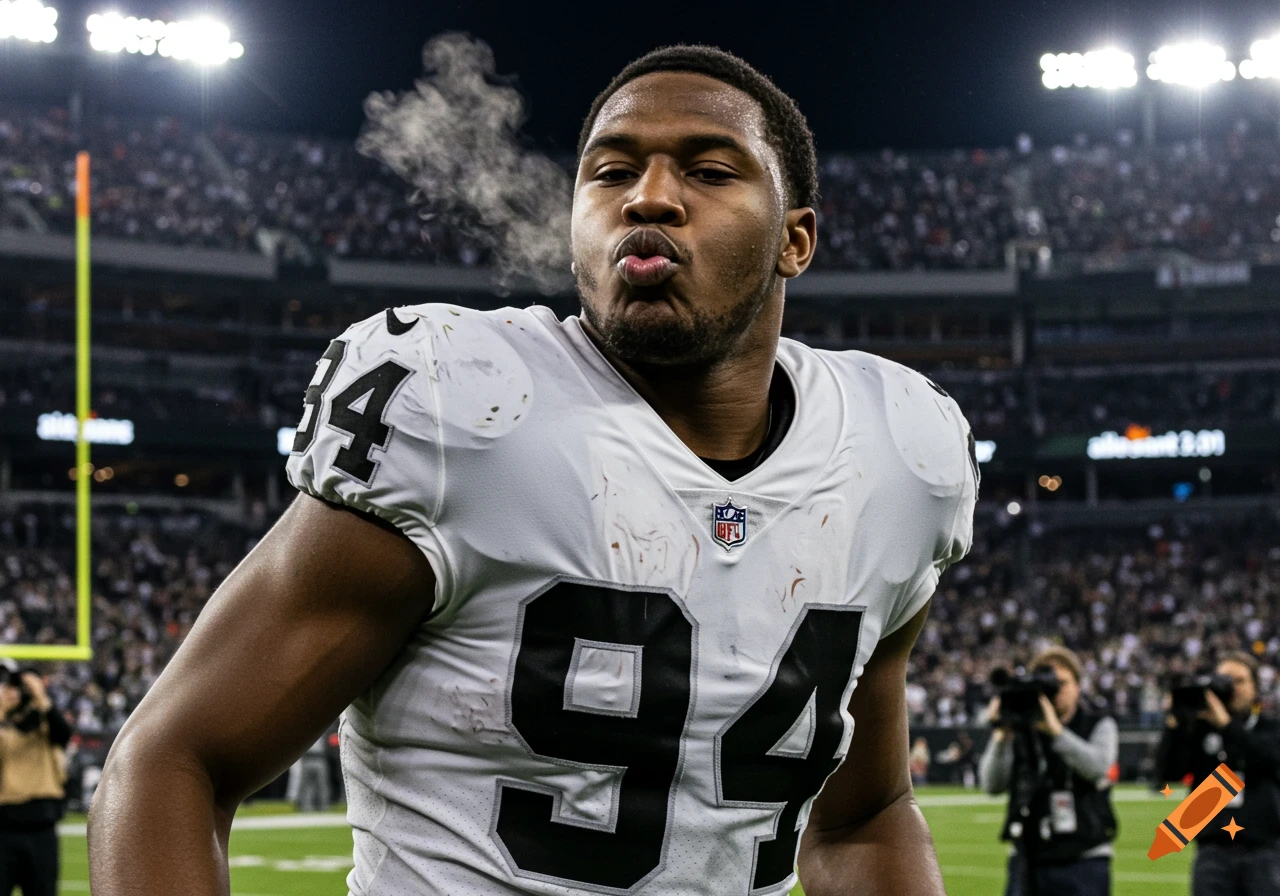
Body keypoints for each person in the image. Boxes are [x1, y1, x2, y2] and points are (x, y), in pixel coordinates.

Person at [88, 45, 978, 896]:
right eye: (611, 170)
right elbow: (175, 759)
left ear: (795, 241)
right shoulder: (462, 408)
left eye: (710, 171)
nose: (650, 197)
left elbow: (863, 818)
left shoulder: (899, 456)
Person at [979, 646, 1119, 896]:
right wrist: (1001, 736)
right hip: (1027, 856)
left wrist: (1056, 732)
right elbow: (991, 785)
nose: (1057, 692)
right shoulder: (1022, 725)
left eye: (1062, 683)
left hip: (1083, 856)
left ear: (1078, 686)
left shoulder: (1098, 722)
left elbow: (1098, 768)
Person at [1156, 651, 1280, 896]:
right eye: (1224, 680)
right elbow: (1168, 772)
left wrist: (1226, 725)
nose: (1230, 687)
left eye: (1240, 680)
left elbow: (1269, 756)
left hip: (1263, 847)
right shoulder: (1200, 728)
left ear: (1255, 688)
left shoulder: (1270, 727)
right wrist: (1174, 724)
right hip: (1212, 848)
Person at [0, 665, 71, 896]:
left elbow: (64, 733)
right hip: (4, 827)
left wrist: (40, 696)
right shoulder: (4, 727)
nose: (13, 692)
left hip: (41, 827)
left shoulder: (44, 725)